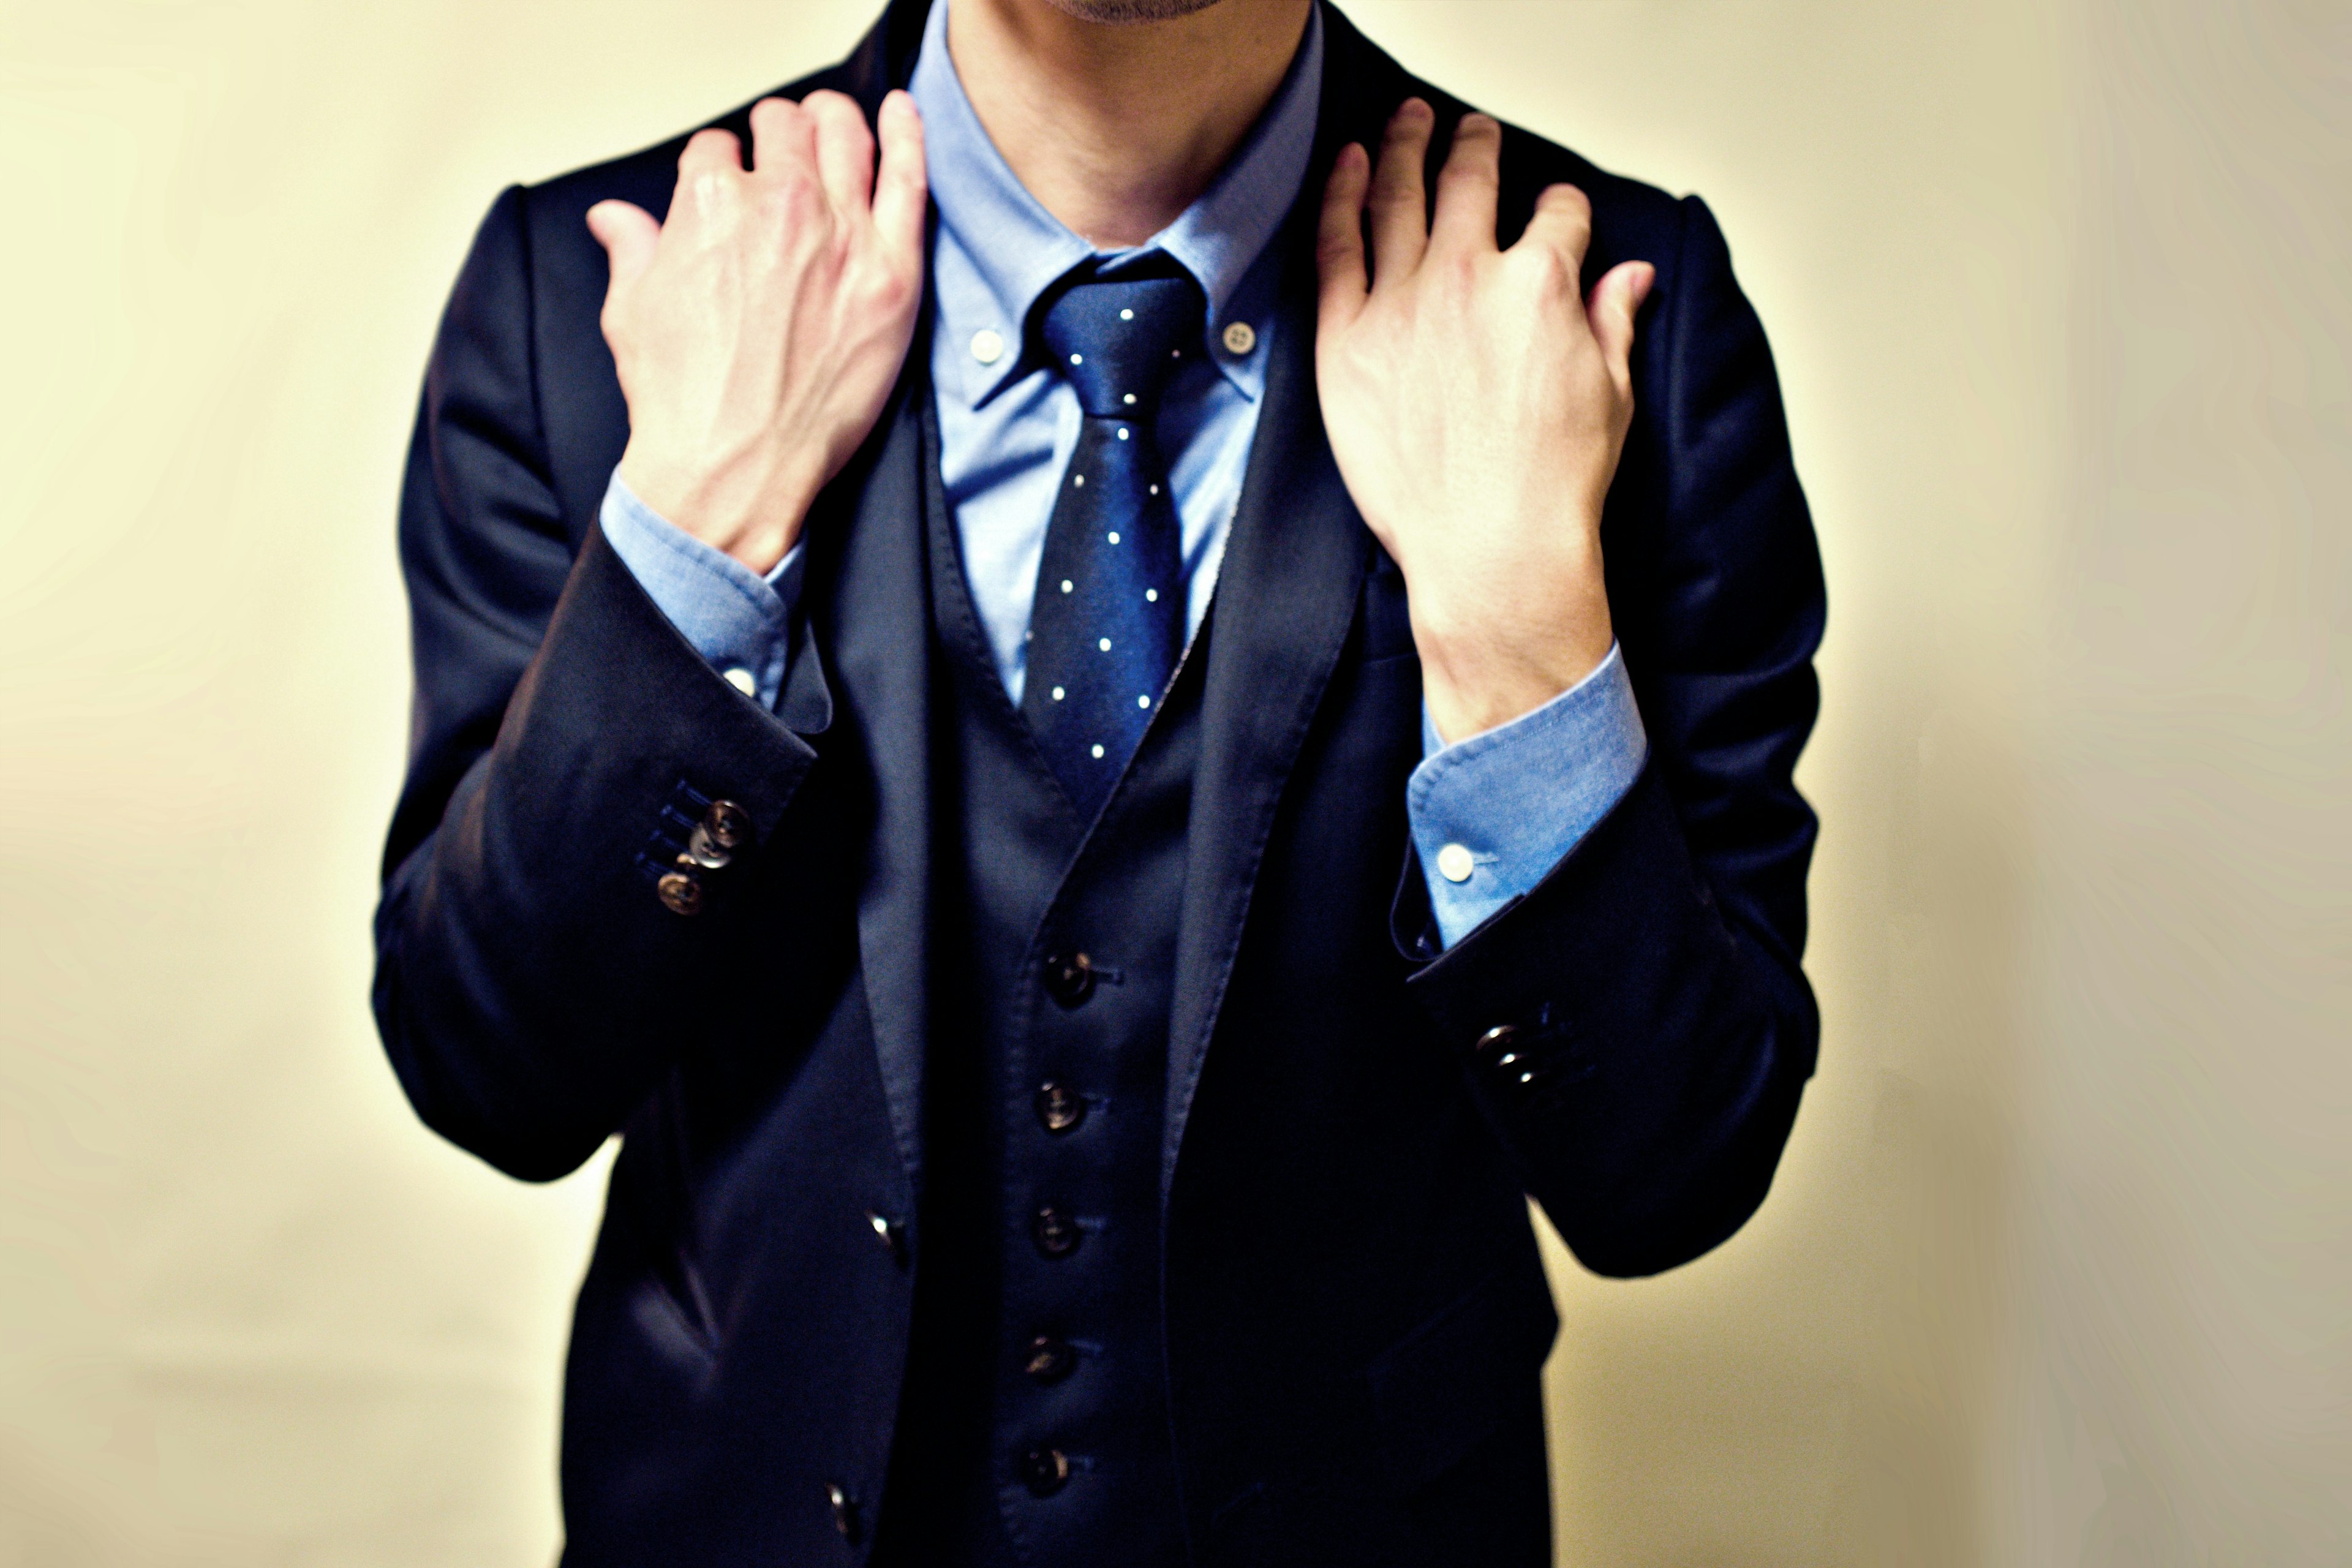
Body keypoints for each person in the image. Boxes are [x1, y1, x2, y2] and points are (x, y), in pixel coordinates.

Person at [372, 0, 1824, 1560]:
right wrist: (697, 531)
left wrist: (1518, 643)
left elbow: (1674, 1170)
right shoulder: (600, 290)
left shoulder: (1610, 313)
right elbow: (489, 1070)